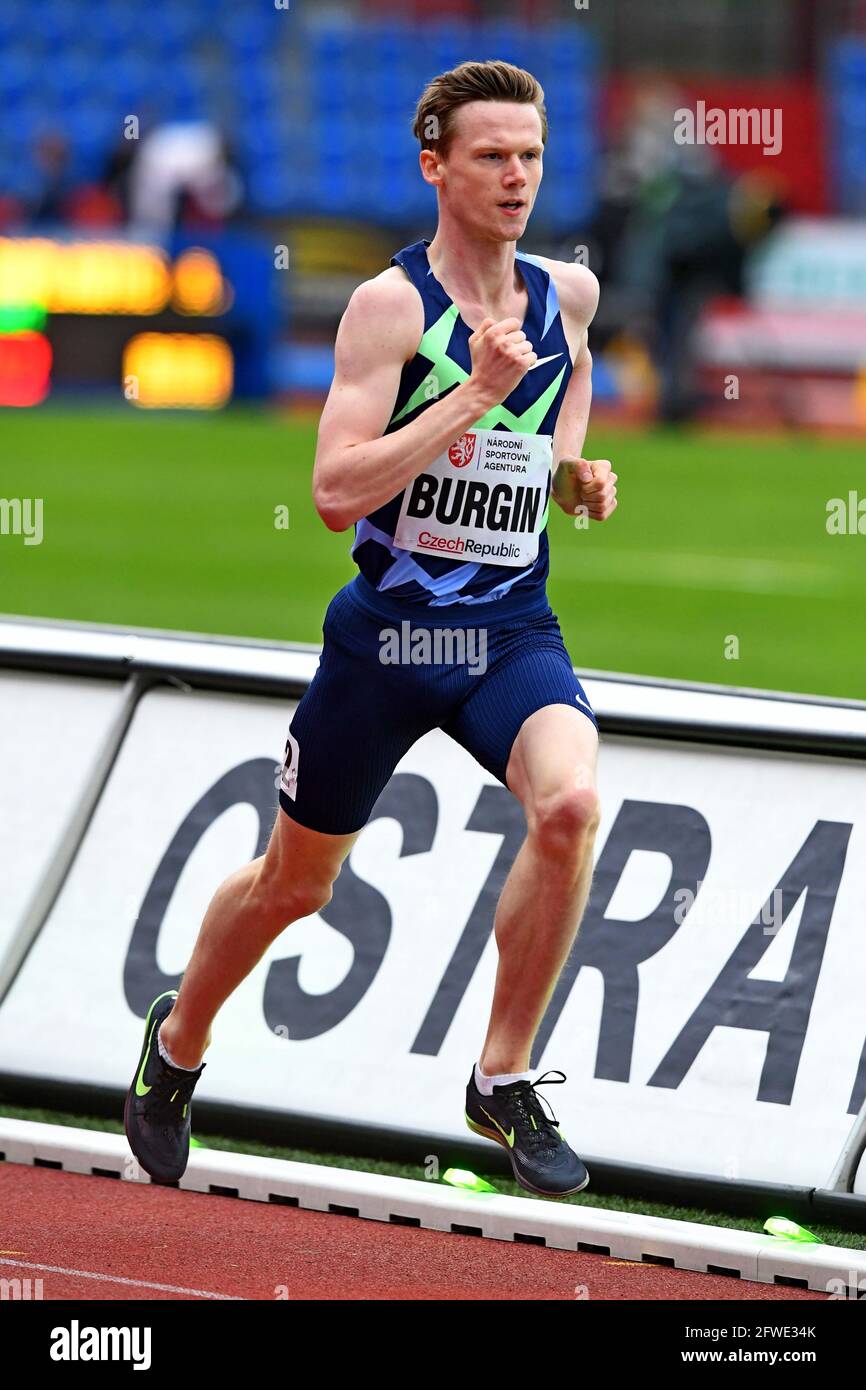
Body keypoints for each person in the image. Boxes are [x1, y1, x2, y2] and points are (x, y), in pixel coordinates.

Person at [124, 59, 617, 1199]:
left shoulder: (564, 294)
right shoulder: (391, 308)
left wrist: (566, 468)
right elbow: (336, 490)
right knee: (296, 887)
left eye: (531, 155)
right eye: (491, 155)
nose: (516, 176)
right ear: (434, 165)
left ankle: (500, 1078)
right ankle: (178, 1039)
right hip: (389, 639)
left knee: (571, 805)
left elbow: (571, 377)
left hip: (505, 626)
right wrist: (470, 399)